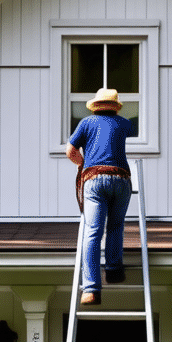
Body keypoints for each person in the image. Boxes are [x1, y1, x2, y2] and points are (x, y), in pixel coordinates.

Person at [66, 88, 134, 305]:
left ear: (95, 105)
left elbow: (70, 151)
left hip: (94, 179)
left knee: (93, 231)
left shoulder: (86, 123)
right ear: (115, 107)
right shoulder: (123, 123)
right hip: (121, 178)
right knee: (115, 226)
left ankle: (91, 289)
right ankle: (113, 270)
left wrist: (82, 163)